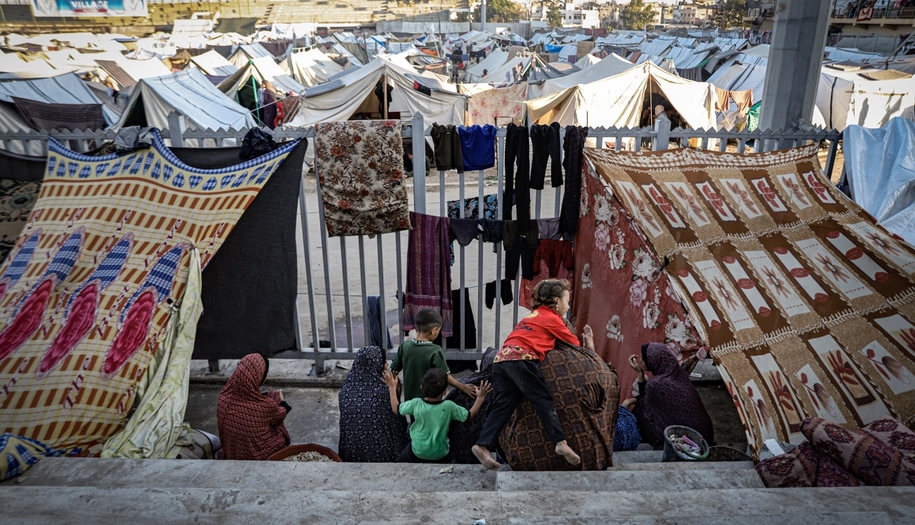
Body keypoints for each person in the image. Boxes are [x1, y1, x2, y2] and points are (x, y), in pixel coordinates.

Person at [472, 279, 583, 470]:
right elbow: (574, 344)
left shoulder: (529, 317)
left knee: (502, 405)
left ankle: (482, 445)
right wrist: (587, 342)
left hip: (502, 359)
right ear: (556, 301)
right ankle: (560, 442)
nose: (568, 305)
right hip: (521, 359)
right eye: (567, 300)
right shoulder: (553, 319)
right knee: (542, 400)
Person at [383, 367, 491, 463]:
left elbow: (396, 409)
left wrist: (392, 388)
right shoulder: (449, 406)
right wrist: (480, 398)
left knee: (402, 458)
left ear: (421, 387)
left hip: (418, 450)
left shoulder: (416, 403)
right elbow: (469, 416)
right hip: (441, 453)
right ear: (445, 392)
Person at [625, 343, 715, 448]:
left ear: (652, 360)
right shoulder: (679, 374)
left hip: (691, 441)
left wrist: (628, 402)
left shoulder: (656, 384)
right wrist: (640, 373)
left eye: (642, 358)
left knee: (639, 412)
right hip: (705, 436)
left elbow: (644, 402)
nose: (640, 360)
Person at [338, 346, 409, 462]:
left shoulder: (344, 392)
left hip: (351, 455)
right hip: (384, 455)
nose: (386, 365)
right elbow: (398, 425)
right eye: (384, 361)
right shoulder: (385, 392)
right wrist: (394, 388)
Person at [390, 308, 476, 402]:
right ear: (434, 330)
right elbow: (445, 375)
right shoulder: (435, 351)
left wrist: (396, 390)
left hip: (410, 403)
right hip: (430, 403)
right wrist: (463, 387)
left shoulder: (404, 346)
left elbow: (393, 371)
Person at [216, 354, 291, 460]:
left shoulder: (223, 398)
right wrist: (283, 402)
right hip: (258, 456)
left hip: (232, 453)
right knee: (277, 422)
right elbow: (281, 414)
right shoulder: (265, 406)